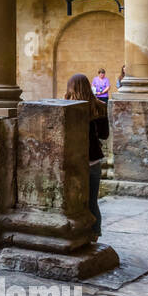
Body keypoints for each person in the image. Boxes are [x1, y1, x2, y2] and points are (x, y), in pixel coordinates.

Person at [66, 73, 109, 238]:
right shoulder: (99, 106)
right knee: (92, 201)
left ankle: (76, 234)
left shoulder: (67, 107)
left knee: (72, 202)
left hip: (73, 162)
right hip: (93, 160)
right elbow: (104, 135)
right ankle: (94, 234)